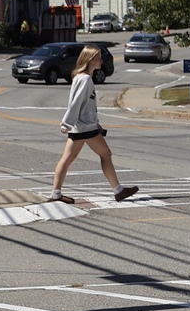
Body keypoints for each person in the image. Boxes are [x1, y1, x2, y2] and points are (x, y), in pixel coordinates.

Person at [49, 44, 138, 204]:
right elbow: (75, 103)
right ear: (89, 60)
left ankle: (56, 193)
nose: (101, 61)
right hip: (84, 128)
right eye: (97, 58)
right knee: (106, 154)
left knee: (67, 159)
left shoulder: (80, 77)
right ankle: (118, 190)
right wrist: (67, 123)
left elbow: (85, 105)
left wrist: (95, 123)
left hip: (82, 127)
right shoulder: (85, 79)